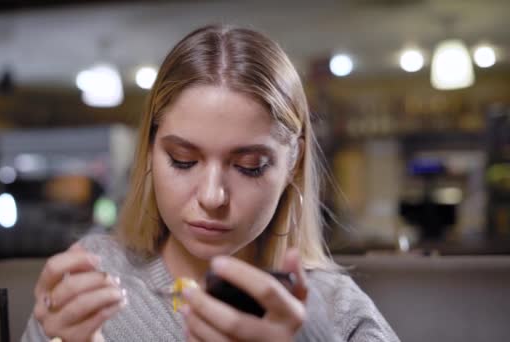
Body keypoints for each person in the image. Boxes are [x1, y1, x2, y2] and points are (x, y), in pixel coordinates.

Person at [22, 24, 399, 342]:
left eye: (250, 166)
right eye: (183, 161)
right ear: (151, 151)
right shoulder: (91, 279)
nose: (212, 196)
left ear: (293, 162)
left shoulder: (338, 314)